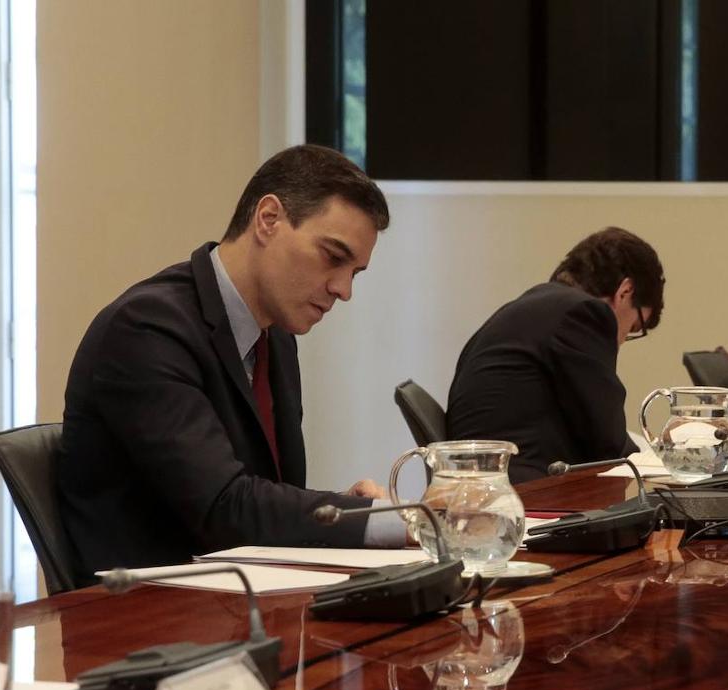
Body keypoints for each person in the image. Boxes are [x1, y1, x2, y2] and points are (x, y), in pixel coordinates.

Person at [59, 145, 405, 584]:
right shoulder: (146, 329)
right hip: (143, 625)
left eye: (354, 273)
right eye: (333, 257)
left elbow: (261, 493)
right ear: (269, 219)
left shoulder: (275, 336)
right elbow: (223, 507)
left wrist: (344, 507)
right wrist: (387, 519)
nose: (342, 289)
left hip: (241, 603)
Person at [446, 227, 665, 483]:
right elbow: (608, 442)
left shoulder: (541, 306)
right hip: (523, 490)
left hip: (488, 483)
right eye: (634, 328)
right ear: (625, 291)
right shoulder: (582, 314)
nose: (623, 341)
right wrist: (664, 465)